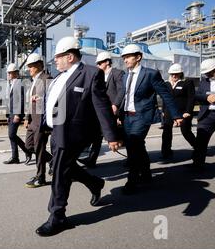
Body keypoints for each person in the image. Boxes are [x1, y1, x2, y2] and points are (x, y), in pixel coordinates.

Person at [36, 37, 121, 237]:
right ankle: (95, 183)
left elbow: (101, 105)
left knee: (59, 173)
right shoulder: (58, 77)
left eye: (58, 57)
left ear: (70, 56)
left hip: (73, 134)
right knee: (64, 167)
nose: (55, 61)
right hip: (55, 132)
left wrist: (111, 135)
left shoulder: (91, 74)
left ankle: (57, 217)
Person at [120, 44, 183, 195]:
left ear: (138, 57)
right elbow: (124, 98)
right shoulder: (124, 76)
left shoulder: (150, 74)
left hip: (142, 116)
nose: (125, 60)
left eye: (128, 57)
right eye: (124, 57)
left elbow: (165, 94)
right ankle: (146, 173)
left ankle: (132, 180)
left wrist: (176, 115)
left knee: (135, 145)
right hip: (127, 117)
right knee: (135, 146)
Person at [78, 51, 125, 168]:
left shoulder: (118, 73)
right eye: (97, 63)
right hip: (102, 111)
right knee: (96, 136)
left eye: (100, 63)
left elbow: (121, 91)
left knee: (120, 137)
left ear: (107, 62)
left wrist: (116, 105)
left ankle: (134, 159)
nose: (98, 65)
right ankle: (91, 160)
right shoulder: (98, 75)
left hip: (114, 110)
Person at [23, 53, 53, 188]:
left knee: (39, 150)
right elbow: (30, 102)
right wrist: (27, 118)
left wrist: (41, 100)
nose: (29, 69)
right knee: (29, 146)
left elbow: (52, 100)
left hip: (41, 121)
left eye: (32, 66)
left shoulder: (47, 79)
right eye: (29, 66)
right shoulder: (33, 80)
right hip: (32, 121)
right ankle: (52, 160)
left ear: (39, 65)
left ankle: (40, 177)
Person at [192, 59, 215, 167]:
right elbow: (197, 95)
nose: (208, 75)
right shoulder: (204, 81)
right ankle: (197, 163)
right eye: (207, 73)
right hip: (207, 115)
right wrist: (207, 97)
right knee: (200, 141)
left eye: (210, 72)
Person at [161, 63, 196, 159]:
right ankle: (166, 152)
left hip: (183, 112)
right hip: (169, 111)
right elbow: (165, 98)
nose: (174, 76)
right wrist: (163, 110)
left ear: (181, 73)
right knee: (166, 132)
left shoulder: (187, 83)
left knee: (185, 131)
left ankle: (198, 148)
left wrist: (188, 111)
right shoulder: (166, 84)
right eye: (172, 74)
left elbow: (191, 98)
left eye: (176, 74)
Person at [4, 63, 32, 165]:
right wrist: (8, 115)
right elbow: (9, 100)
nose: (9, 75)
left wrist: (17, 114)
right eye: (8, 73)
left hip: (16, 113)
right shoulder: (11, 84)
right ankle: (15, 157)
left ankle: (28, 151)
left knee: (12, 135)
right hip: (11, 113)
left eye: (10, 73)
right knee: (12, 135)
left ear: (16, 73)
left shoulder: (19, 84)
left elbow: (21, 100)